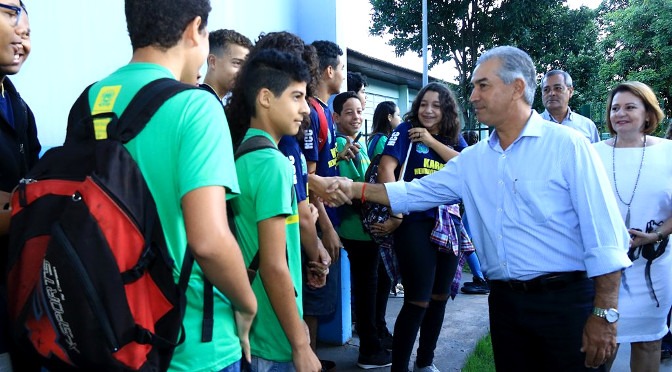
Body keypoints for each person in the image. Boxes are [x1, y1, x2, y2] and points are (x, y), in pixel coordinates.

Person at [330, 46, 632, 371]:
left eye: (482, 85)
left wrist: (604, 314)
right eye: (473, 86)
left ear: (517, 88)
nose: (472, 95)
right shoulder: (473, 160)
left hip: (566, 305)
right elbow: (414, 193)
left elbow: (606, 237)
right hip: (505, 307)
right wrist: (346, 187)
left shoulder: (568, 146)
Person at [84, 1, 258, 370]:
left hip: (109, 330)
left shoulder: (89, 99)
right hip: (189, 340)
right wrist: (247, 304)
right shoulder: (196, 108)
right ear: (195, 29)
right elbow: (209, 241)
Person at [226, 48, 322, 372]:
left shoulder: (240, 156)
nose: (305, 109)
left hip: (251, 328)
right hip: (276, 336)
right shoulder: (274, 165)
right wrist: (300, 343)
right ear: (265, 98)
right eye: (296, 97)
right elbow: (273, 266)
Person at [373, 82, 464, 372]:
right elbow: (386, 169)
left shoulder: (452, 137)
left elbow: (467, 166)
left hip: (448, 223)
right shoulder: (405, 131)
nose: (428, 110)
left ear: (446, 109)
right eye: (424, 104)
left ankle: (425, 362)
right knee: (418, 300)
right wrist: (396, 213)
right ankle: (399, 368)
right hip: (413, 223)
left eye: (436, 105)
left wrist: (433, 140)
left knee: (439, 297)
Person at [593, 81, 672, 372]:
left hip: (655, 268)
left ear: (648, 114)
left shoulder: (669, 152)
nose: (620, 114)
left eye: (629, 107)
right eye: (615, 108)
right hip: (604, 270)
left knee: (649, 342)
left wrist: (655, 234)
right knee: (603, 344)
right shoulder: (591, 153)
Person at [332, 91, 391, 369]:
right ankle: (369, 350)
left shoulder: (359, 144)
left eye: (359, 111)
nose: (356, 117)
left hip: (368, 230)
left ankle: (375, 339)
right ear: (336, 117)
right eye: (348, 112)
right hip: (357, 230)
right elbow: (348, 190)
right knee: (366, 290)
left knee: (374, 285)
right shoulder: (342, 146)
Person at [301, 39, 353, 352]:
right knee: (315, 293)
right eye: (342, 68)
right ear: (329, 70)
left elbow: (323, 165)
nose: (344, 75)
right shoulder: (312, 113)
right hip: (316, 225)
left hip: (325, 221)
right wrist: (326, 231)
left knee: (320, 297)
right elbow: (307, 181)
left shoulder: (324, 113)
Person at [0, 2, 38, 370]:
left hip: (16, 298)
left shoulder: (18, 105)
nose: (23, 40)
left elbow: (35, 185)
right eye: (12, 15)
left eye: (28, 34)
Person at [541, 69, 600, 143]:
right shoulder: (532, 125)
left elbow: (595, 154)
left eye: (558, 88)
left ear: (571, 91)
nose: (551, 93)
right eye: (546, 89)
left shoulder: (587, 126)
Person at [201, 29, 253, 100]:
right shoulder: (202, 102)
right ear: (213, 61)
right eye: (237, 63)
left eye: (245, 66)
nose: (243, 72)